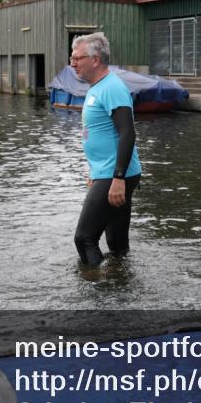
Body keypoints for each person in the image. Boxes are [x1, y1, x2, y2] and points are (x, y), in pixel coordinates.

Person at [70, 32, 142, 267]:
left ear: (95, 59)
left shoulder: (112, 88)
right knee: (117, 243)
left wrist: (117, 178)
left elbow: (127, 132)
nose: (72, 63)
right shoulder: (98, 87)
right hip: (109, 173)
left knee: (84, 238)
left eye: (77, 58)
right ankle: (120, 286)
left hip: (115, 175)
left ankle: (95, 290)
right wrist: (94, 170)